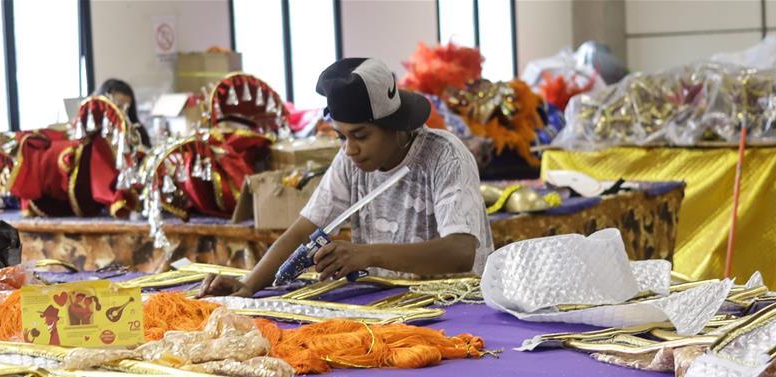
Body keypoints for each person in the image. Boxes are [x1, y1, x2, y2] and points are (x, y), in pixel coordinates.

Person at [199, 57, 493, 298]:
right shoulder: (351, 159)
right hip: (389, 304)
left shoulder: (444, 156)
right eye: (341, 137)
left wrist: (367, 255)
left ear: (395, 126)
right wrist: (250, 285)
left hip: (457, 304)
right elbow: (304, 230)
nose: (350, 149)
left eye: (361, 135)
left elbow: (460, 251)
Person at [97, 78, 151, 147]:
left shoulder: (137, 131)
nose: (122, 113)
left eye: (126, 109)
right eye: (118, 107)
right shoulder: (94, 134)